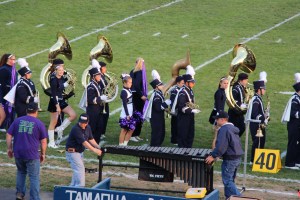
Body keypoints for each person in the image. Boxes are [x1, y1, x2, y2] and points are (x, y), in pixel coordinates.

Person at [6, 102, 48, 200]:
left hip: (19, 153)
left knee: (21, 172)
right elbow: (44, 142)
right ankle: (35, 198)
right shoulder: (39, 124)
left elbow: (8, 134)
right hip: (32, 154)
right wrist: (43, 153)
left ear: (26, 111)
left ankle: (20, 194)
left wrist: (9, 148)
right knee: (34, 177)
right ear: (36, 111)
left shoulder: (17, 121)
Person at [205, 111, 243, 199]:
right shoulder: (233, 128)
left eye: (217, 119)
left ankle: (240, 198)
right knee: (230, 180)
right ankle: (229, 197)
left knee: (227, 181)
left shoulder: (224, 129)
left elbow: (221, 146)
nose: (216, 121)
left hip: (230, 159)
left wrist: (213, 156)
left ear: (222, 120)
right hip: (237, 157)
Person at [65, 113, 102, 187]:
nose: (82, 124)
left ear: (87, 122)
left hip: (79, 152)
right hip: (73, 153)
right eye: (81, 122)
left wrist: (98, 147)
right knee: (80, 170)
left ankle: (72, 188)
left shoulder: (88, 127)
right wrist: (95, 150)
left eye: (84, 123)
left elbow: (91, 139)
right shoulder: (76, 129)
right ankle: (80, 188)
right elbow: (84, 143)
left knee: (77, 171)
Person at [47, 58, 76, 148]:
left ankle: (60, 128)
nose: (62, 71)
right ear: (56, 70)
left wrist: (69, 82)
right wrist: (57, 106)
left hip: (61, 99)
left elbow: (61, 87)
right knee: (54, 122)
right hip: (54, 101)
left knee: (73, 115)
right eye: (59, 70)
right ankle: (51, 142)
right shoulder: (53, 79)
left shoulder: (61, 76)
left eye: (62, 70)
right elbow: (54, 93)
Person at [144, 70, 171, 146]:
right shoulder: (156, 96)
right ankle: (154, 149)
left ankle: (157, 148)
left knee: (161, 133)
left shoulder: (158, 94)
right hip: (156, 118)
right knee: (157, 134)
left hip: (159, 117)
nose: (163, 86)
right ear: (156, 87)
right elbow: (158, 108)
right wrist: (166, 103)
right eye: (160, 85)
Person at [245, 80, 268, 163]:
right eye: (263, 89)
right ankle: (253, 160)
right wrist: (263, 117)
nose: (265, 90)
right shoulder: (255, 100)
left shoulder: (258, 98)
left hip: (258, 124)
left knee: (261, 142)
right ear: (259, 89)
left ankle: (258, 159)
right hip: (256, 124)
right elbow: (254, 114)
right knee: (257, 142)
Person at [177, 73, 200, 148]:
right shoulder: (182, 92)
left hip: (190, 116)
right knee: (184, 134)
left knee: (190, 134)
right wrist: (191, 111)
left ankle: (188, 150)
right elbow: (181, 107)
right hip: (183, 118)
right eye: (191, 82)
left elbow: (190, 103)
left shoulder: (190, 90)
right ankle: (182, 153)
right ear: (186, 83)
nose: (193, 83)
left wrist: (194, 108)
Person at [281, 75, 300, 170]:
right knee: (293, 143)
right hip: (293, 125)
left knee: (298, 143)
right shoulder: (295, 99)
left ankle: (297, 161)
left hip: (298, 125)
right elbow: (294, 113)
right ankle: (289, 163)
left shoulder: (298, 98)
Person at [86, 66, 107, 144]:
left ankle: (96, 142)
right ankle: (89, 143)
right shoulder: (91, 87)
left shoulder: (97, 84)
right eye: (98, 75)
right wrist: (101, 98)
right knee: (92, 127)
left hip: (98, 109)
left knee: (100, 126)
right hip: (92, 110)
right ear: (93, 77)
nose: (100, 76)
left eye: (100, 75)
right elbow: (91, 100)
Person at [130, 57, 148, 142]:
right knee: (138, 114)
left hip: (134, 95)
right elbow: (137, 85)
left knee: (136, 114)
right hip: (138, 96)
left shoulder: (132, 71)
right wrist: (141, 95)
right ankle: (134, 134)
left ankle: (135, 134)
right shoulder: (140, 72)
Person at [209, 76, 229, 149]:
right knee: (216, 134)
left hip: (219, 113)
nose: (226, 85)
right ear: (220, 83)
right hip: (218, 114)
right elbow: (218, 106)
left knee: (218, 134)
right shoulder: (219, 92)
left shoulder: (222, 91)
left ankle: (216, 149)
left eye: (227, 83)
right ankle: (214, 150)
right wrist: (219, 117)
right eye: (224, 83)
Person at [228, 73, 249, 137]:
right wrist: (242, 105)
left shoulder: (241, 87)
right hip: (234, 113)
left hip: (239, 112)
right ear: (241, 80)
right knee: (235, 129)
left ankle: (234, 140)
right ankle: (232, 142)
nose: (247, 82)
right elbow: (233, 100)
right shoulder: (236, 88)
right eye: (246, 80)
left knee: (242, 128)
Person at [0, 53, 17, 130]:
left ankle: (7, 125)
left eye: (14, 59)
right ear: (7, 60)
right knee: (4, 110)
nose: (14, 61)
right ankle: (2, 125)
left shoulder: (13, 69)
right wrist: (7, 93)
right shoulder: (3, 69)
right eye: (12, 59)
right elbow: (2, 84)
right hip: (5, 93)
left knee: (11, 110)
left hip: (12, 93)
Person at [118, 74, 135, 146]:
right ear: (125, 83)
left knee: (131, 129)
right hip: (126, 114)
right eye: (130, 82)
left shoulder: (128, 90)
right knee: (124, 130)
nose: (131, 84)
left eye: (131, 82)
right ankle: (120, 145)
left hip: (130, 112)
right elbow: (125, 104)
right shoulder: (124, 92)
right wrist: (127, 115)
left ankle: (125, 144)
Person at [169, 76, 184, 145]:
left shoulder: (180, 89)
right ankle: (174, 140)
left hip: (179, 111)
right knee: (175, 125)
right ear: (177, 83)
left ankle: (177, 139)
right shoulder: (174, 91)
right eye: (181, 83)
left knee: (179, 125)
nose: (183, 84)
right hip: (175, 111)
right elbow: (172, 102)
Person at [98, 61, 110, 140]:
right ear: (101, 68)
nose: (106, 69)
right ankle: (100, 132)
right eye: (104, 67)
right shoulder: (99, 77)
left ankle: (102, 132)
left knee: (106, 115)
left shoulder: (103, 76)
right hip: (101, 100)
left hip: (105, 99)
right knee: (102, 116)